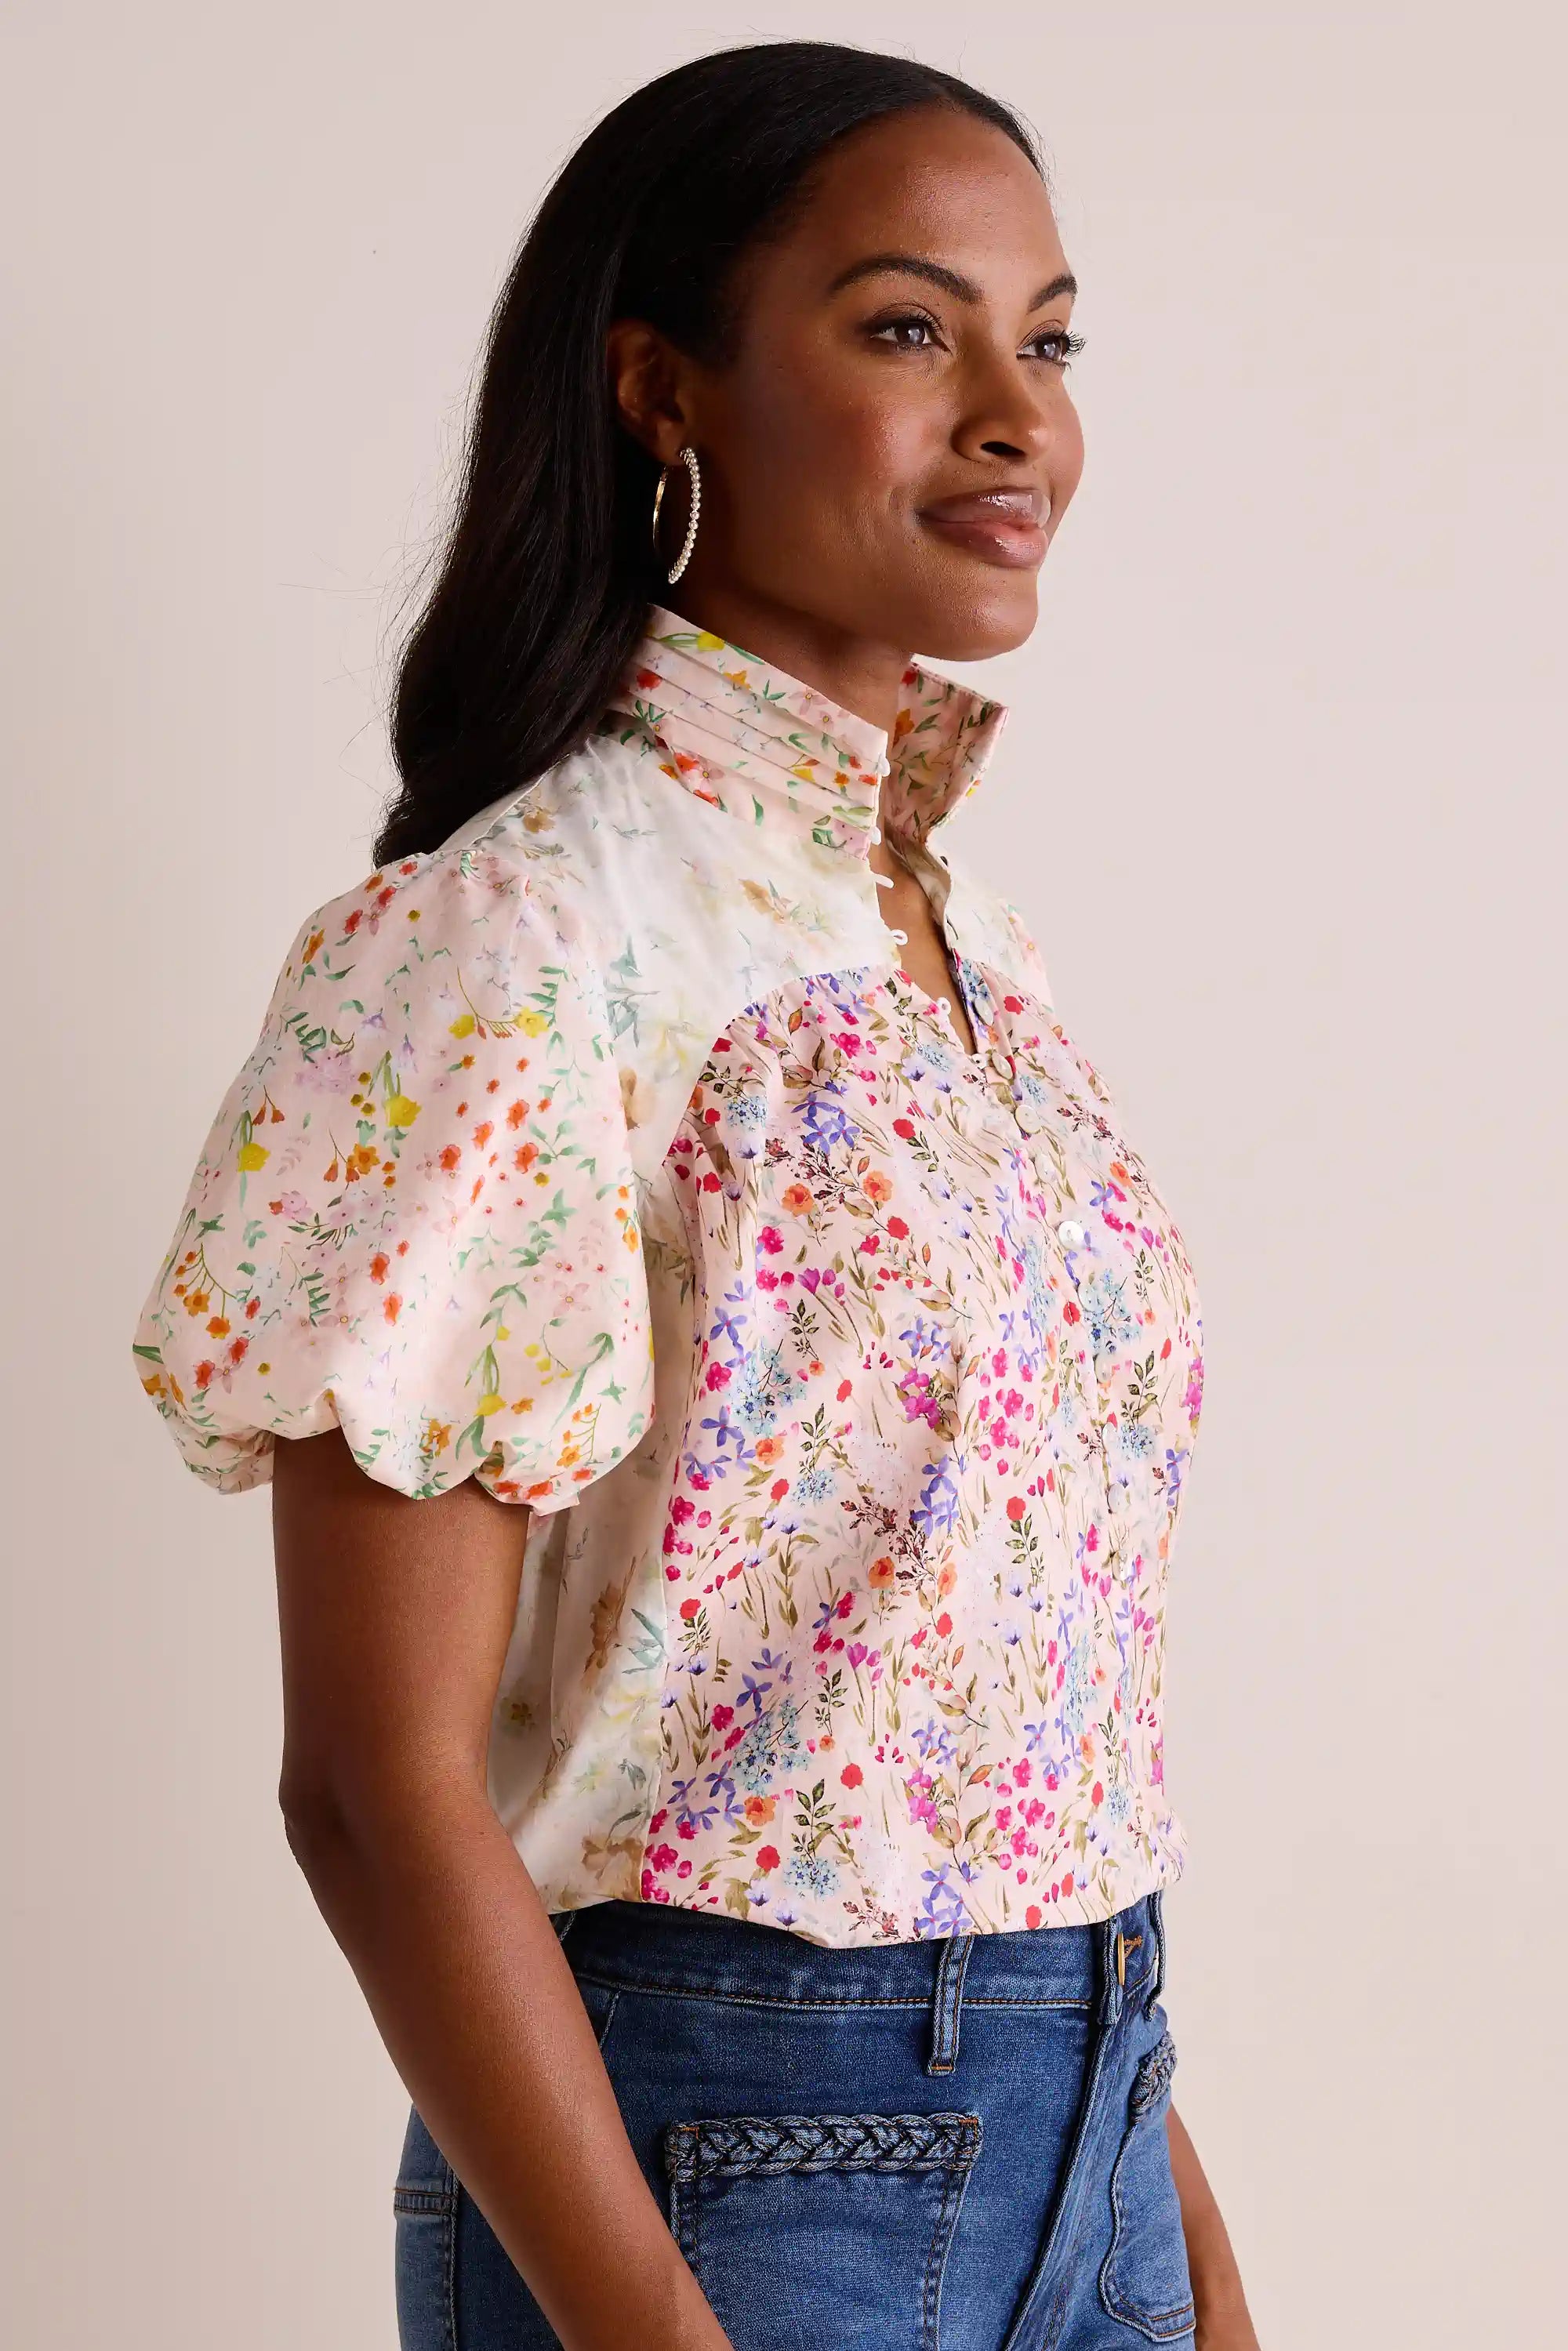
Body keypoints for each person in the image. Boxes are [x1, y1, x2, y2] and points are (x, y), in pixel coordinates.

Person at [131, 38, 1261, 2351]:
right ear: (668, 391)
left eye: (1047, 341)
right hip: (740, 2185)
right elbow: (370, 1788)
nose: (1017, 415)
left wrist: (1184, 2260)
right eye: (906, 327)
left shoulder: (971, 968)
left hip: (1098, 2118)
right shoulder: (519, 942)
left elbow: (1006, 1727)